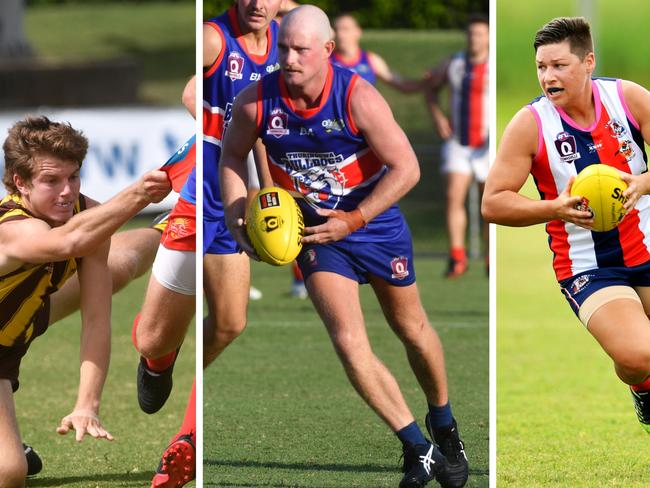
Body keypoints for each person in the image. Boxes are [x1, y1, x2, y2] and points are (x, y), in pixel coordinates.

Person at [220, 6, 469, 488]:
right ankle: (417, 447)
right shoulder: (255, 100)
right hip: (314, 232)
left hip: (374, 224)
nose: (289, 58)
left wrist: (354, 219)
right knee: (349, 342)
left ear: (327, 52)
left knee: (412, 329)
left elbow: (408, 168)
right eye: (284, 48)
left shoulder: (358, 96)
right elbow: (231, 156)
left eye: (301, 50)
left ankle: (445, 425)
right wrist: (235, 212)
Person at [483, 17, 650, 433]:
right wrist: (554, 208)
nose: (547, 76)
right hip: (588, 267)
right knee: (637, 357)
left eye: (559, 65)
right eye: (541, 67)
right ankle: (644, 391)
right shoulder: (530, 124)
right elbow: (493, 202)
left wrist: (642, 183)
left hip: (647, 246)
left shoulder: (626, 98)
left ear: (588, 61)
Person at [0, 116, 170, 487]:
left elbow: (96, 320)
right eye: (51, 180)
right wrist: (137, 193)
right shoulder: (10, 227)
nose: (67, 191)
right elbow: (67, 243)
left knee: (119, 267)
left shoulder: (84, 213)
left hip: (21, 317)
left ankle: (171, 226)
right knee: (10, 474)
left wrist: (86, 405)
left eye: (73, 176)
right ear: (20, 182)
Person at [202, 0, 283, 367]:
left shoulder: (285, 43)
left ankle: (186, 406)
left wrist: (271, 193)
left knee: (230, 323)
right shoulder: (213, 39)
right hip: (197, 190)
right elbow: (190, 90)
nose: (257, 2)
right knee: (160, 330)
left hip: (229, 199)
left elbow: (263, 129)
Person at [133, 136, 197, 488]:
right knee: (153, 340)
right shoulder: (214, 81)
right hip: (200, 198)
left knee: (227, 323)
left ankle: (187, 441)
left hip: (252, 195)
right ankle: (158, 361)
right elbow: (194, 94)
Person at [425, 14, 489, 278]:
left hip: (487, 145)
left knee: (489, 205)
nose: (475, 38)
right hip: (458, 143)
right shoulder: (454, 63)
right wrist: (439, 116)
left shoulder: (494, 64)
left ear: (487, 36)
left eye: (480, 34)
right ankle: (457, 257)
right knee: (454, 197)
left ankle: (489, 260)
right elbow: (430, 89)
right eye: (471, 34)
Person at [331, 12, 424, 92]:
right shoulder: (327, 61)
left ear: (358, 32)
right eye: (336, 29)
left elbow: (402, 84)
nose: (339, 34)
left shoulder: (370, 60)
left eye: (345, 29)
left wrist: (425, 84)